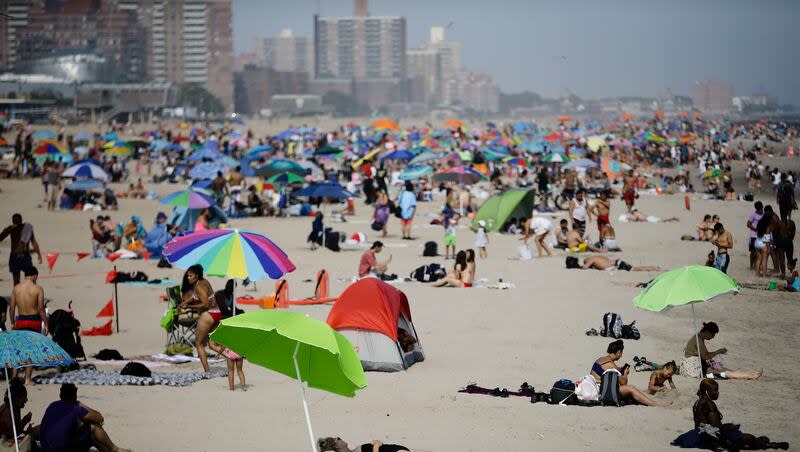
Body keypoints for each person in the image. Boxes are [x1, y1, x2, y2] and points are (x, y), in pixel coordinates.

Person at [673, 379, 789, 450]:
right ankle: (771, 445)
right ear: (707, 391)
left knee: (744, 438)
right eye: (715, 390)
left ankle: (769, 445)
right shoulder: (709, 404)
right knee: (748, 438)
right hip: (710, 436)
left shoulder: (698, 401)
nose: (717, 392)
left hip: (698, 432)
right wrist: (731, 427)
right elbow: (716, 428)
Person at [40, 383, 130, 452]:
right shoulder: (75, 408)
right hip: (64, 449)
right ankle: (114, 449)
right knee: (93, 427)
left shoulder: (52, 405)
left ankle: (109, 450)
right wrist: (81, 404)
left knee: (83, 432)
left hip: (46, 448)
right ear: (75, 395)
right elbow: (100, 418)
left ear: (60, 395)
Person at [589, 340, 669, 406]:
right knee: (630, 388)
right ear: (618, 352)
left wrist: (619, 369)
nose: (621, 355)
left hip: (593, 386)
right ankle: (655, 404)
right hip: (601, 391)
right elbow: (623, 382)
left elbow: (604, 374)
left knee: (633, 390)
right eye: (621, 353)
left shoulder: (601, 359)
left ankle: (650, 400)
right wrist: (625, 373)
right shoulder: (611, 365)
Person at [682, 321, 763, 380]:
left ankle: (749, 374)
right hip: (695, 368)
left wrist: (718, 352)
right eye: (713, 334)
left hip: (699, 363)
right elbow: (706, 356)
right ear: (707, 332)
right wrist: (718, 351)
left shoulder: (700, 338)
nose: (713, 337)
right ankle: (751, 376)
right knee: (724, 372)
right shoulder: (698, 340)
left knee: (721, 367)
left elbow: (705, 356)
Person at [179, 265, 218, 373]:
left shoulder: (199, 287)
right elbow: (195, 297)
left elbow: (205, 304)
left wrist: (190, 307)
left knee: (199, 343)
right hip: (216, 313)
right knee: (212, 345)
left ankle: (207, 371)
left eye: (190, 276)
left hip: (208, 314)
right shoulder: (203, 282)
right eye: (187, 275)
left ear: (196, 276)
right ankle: (232, 356)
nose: (188, 278)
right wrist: (186, 302)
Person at [10, 266, 46, 385]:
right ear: (34, 275)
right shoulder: (38, 289)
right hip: (33, 321)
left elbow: (11, 307)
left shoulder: (16, 288)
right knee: (30, 350)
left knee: (18, 350)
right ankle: (27, 379)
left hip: (20, 320)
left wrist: (12, 322)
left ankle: (14, 377)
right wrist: (46, 323)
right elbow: (41, 308)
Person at [0, 213, 43, 286]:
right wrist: (39, 254)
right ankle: (23, 295)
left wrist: (39, 254)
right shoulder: (19, 228)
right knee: (26, 279)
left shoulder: (26, 228)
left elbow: (34, 242)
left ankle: (25, 294)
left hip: (19, 256)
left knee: (22, 279)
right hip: (21, 256)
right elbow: (34, 242)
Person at [0, 378, 38, 443]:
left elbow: (17, 430)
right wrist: (24, 422)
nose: (26, 400)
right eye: (24, 397)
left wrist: (24, 422)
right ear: (16, 399)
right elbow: (14, 435)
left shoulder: (15, 407)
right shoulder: (8, 412)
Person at [317, 436, 428, 452]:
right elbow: (376, 445)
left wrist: (378, 443)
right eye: (338, 439)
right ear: (336, 446)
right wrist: (376, 445)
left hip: (395, 448)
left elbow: (379, 443)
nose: (340, 438)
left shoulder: (356, 449)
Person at [572, 255, 661, 272]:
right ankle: (654, 267)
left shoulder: (589, 260)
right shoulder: (595, 257)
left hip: (616, 265)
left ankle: (654, 269)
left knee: (636, 269)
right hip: (617, 262)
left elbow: (585, 267)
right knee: (636, 267)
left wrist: (578, 267)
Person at [747, 202, 764, 269]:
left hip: (761, 235)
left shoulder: (764, 214)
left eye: (761, 208)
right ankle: (751, 265)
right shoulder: (753, 215)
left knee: (759, 251)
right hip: (753, 235)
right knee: (753, 251)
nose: (761, 210)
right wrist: (756, 229)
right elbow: (748, 224)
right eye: (759, 209)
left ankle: (757, 265)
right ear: (756, 209)